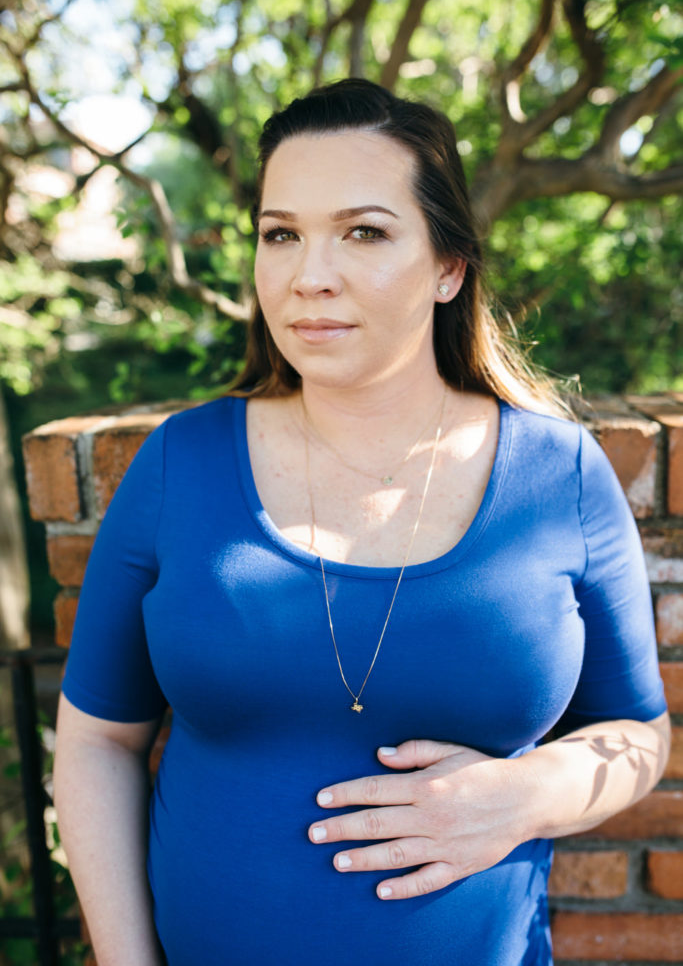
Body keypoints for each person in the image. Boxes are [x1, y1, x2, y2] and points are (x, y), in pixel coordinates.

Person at [54, 79, 670, 966]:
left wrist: (529, 793)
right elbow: (97, 742)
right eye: (281, 234)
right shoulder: (178, 466)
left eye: (364, 232)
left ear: (448, 268)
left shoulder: (557, 475)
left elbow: (636, 733)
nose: (309, 275)